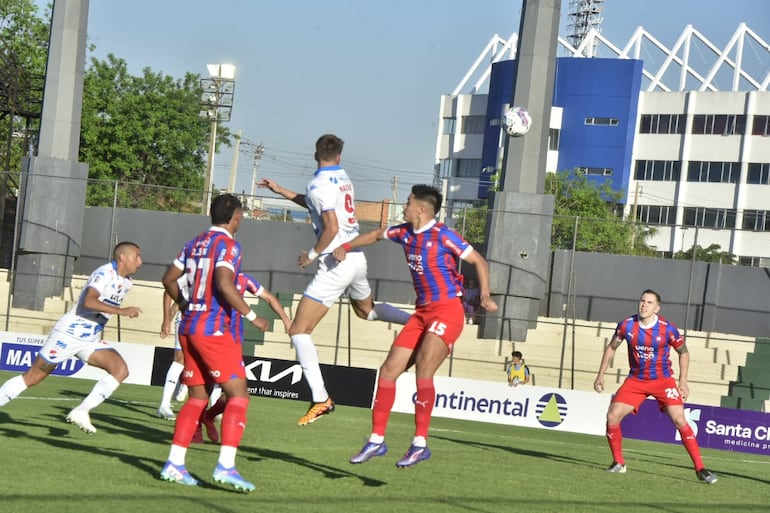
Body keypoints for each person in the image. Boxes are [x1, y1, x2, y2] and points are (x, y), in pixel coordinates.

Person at [338, 184, 498, 468]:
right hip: (422, 312)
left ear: (421, 209)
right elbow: (377, 234)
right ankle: (376, 440)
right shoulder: (404, 232)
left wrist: (484, 294)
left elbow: (478, 261)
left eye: (408, 202)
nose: (404, 206)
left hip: (448, 311)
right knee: (388, 371)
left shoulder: (443, 235)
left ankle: (419, 444)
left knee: (424, 367)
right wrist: (346, 246)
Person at [258, 133, 411, 426]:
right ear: (339, 157)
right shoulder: (342, 177)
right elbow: (318, 205)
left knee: (299, 331)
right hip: (355, 256)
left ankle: (320, 398)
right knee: (367, 311)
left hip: (334, 263)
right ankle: (417, 322)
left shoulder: (317, 184)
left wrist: (311, 256)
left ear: (315, 153)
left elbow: (330, 226)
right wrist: (282, 191)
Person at [159, 193, 269, 492]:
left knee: (197, 398)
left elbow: (168, 278)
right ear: (236, 216)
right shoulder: (229, 245)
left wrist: (184, 304)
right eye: (241, 215)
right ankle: (225, 466)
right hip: (213, 329)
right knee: (239, 394)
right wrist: (252, 316)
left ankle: (174, 464)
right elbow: (223, 282)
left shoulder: (194, 243)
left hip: (190, 327)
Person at [0, 242, 143, 434]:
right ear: (123, 257)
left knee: (120, 370)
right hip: (69, 333)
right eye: (136, 256)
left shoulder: (127, 282)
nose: (140, 262)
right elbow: (89, 301)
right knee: (33, 377)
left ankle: (82, 411)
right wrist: (121, 311)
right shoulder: (105, 273)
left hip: (88, 338)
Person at [593, 289, 718, 484]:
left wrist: (683, 380)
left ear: (657, 308)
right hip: (636, 381)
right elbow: (611, 348)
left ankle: (700, 468)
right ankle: (618, 463)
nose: (644, 305)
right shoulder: (626, 325)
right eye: (642, 301)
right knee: (612, 416)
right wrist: (600, 375)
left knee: (679, 420)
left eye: (649, 302)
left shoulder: (667, 328)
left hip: (663, 380)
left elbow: (683, 352)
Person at [191, 271, 293, 444]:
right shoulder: (208, 277)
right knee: (203, 387)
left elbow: (269, 297)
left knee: (237, 393)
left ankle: (209, 416)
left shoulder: (243, 279)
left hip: (232, 341)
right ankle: (196, 430)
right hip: (207, 336)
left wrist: (286, 320)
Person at [157, 292, 187, 420]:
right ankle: (164, 405)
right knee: (179, 358)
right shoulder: (187, 274)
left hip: (206, 321)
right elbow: (170, 292)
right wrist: (167, 319)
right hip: (185, 318)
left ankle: (185, 382)